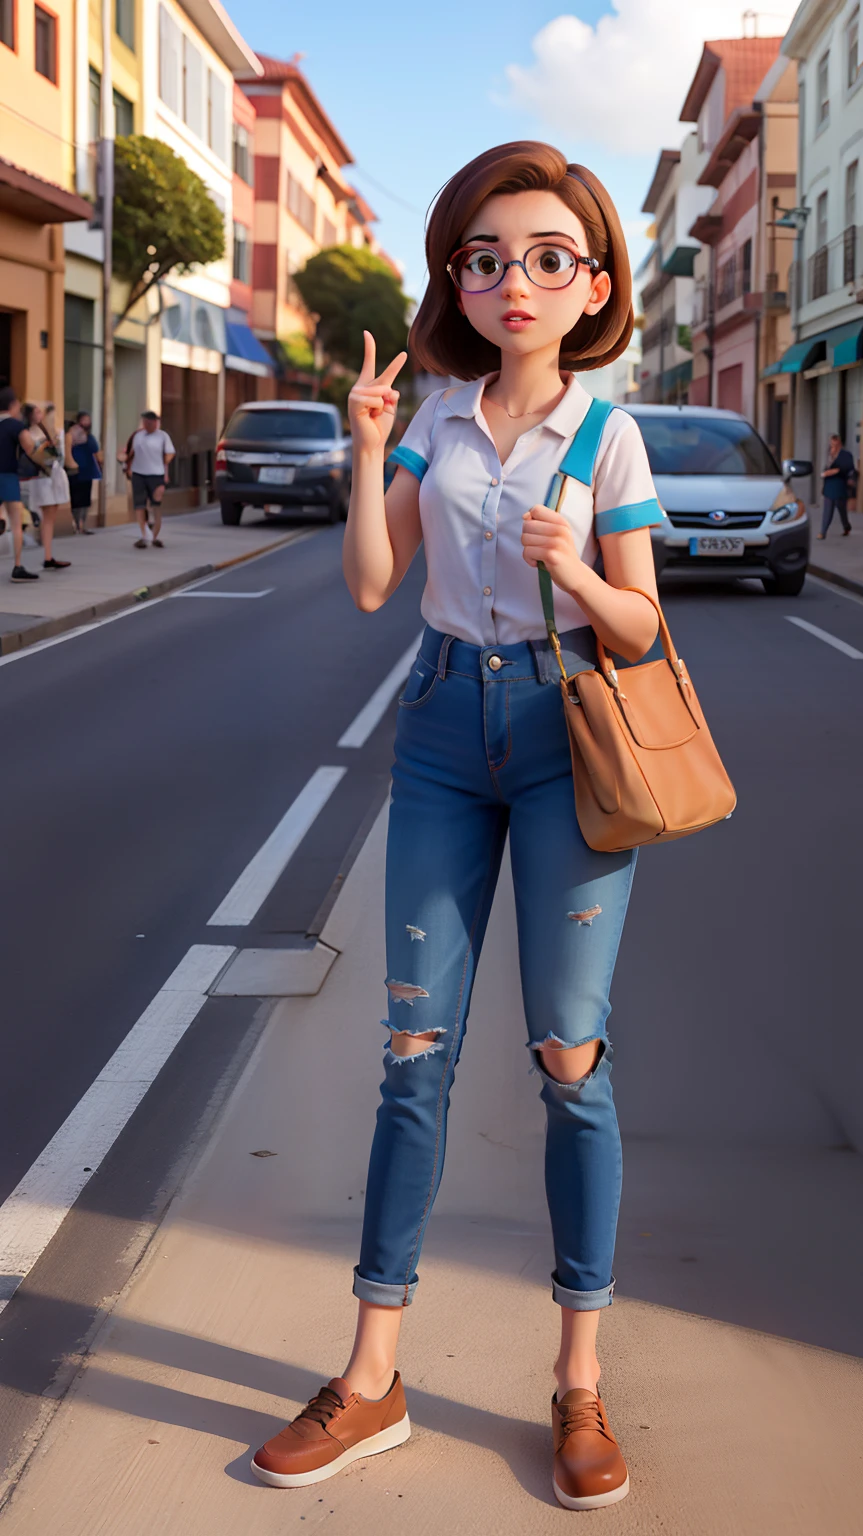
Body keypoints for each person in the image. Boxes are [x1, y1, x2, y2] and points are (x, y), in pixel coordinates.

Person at [252, 142, 665, 1509]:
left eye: (548, 257)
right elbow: (376, 587)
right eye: (486, 260)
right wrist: (370, 455)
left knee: (570, 1057)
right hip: (438, 731)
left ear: (594, 280)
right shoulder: (431, 413)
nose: (515, 281)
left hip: (565, 735)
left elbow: (645, 620)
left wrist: (581, 579)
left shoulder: (609, 436)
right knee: (413, 1050)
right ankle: (373, 1382)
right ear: (461, 282)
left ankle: (579, 1384)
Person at [19, 402, 71, 571]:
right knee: (47, 515)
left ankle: (48, 555)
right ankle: (47, 556)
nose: (39, 415)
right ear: (29, 415)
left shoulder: (46, 429)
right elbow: (36, 455)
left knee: (51, 516)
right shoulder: (27, 433)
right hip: (41, 477)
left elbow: (58, 454)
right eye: (36, 412)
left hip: (52, 475)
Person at [0, 385, 38, 581]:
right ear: (13, 405)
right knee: (16, 522)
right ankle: (17, 566)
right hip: (7, 476)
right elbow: (31, 449)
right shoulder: (16, 426)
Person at [123, 410, 174, 547]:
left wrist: (164, 470)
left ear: (156, 423)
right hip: (138, 473)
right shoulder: (137, 435)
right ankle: (144, 535)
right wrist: (128, 467)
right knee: (139, 505)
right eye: (145, 421)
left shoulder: (163, 437)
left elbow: (169, 455)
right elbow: (129, 453)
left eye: (151, 422)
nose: (148, 424)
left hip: (156, 474)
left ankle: (154, 535)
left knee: (155, 504)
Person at [65, 411, 102, 533]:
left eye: (88, 419)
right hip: (74, 470)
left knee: (85, 499)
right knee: (75, 498)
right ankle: (76, 524)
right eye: (84, 419)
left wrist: (100, 464)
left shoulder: (90, 438)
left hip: (87, 471)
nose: (87, 422)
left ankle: (82, 524)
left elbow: (97, 452)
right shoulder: (70, 436)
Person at [817, 432, 855, 539]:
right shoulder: (829, 455)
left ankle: (846, 526)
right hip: (829, 485)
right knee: (827, 509)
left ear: (840, 443)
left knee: (841, 509)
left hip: (840, 485)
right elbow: (825, 469)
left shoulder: (846, 455)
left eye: (835, 444)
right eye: (832, 444)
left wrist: (833, 471)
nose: (833, 447)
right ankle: (823, 532)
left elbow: (847, 468)